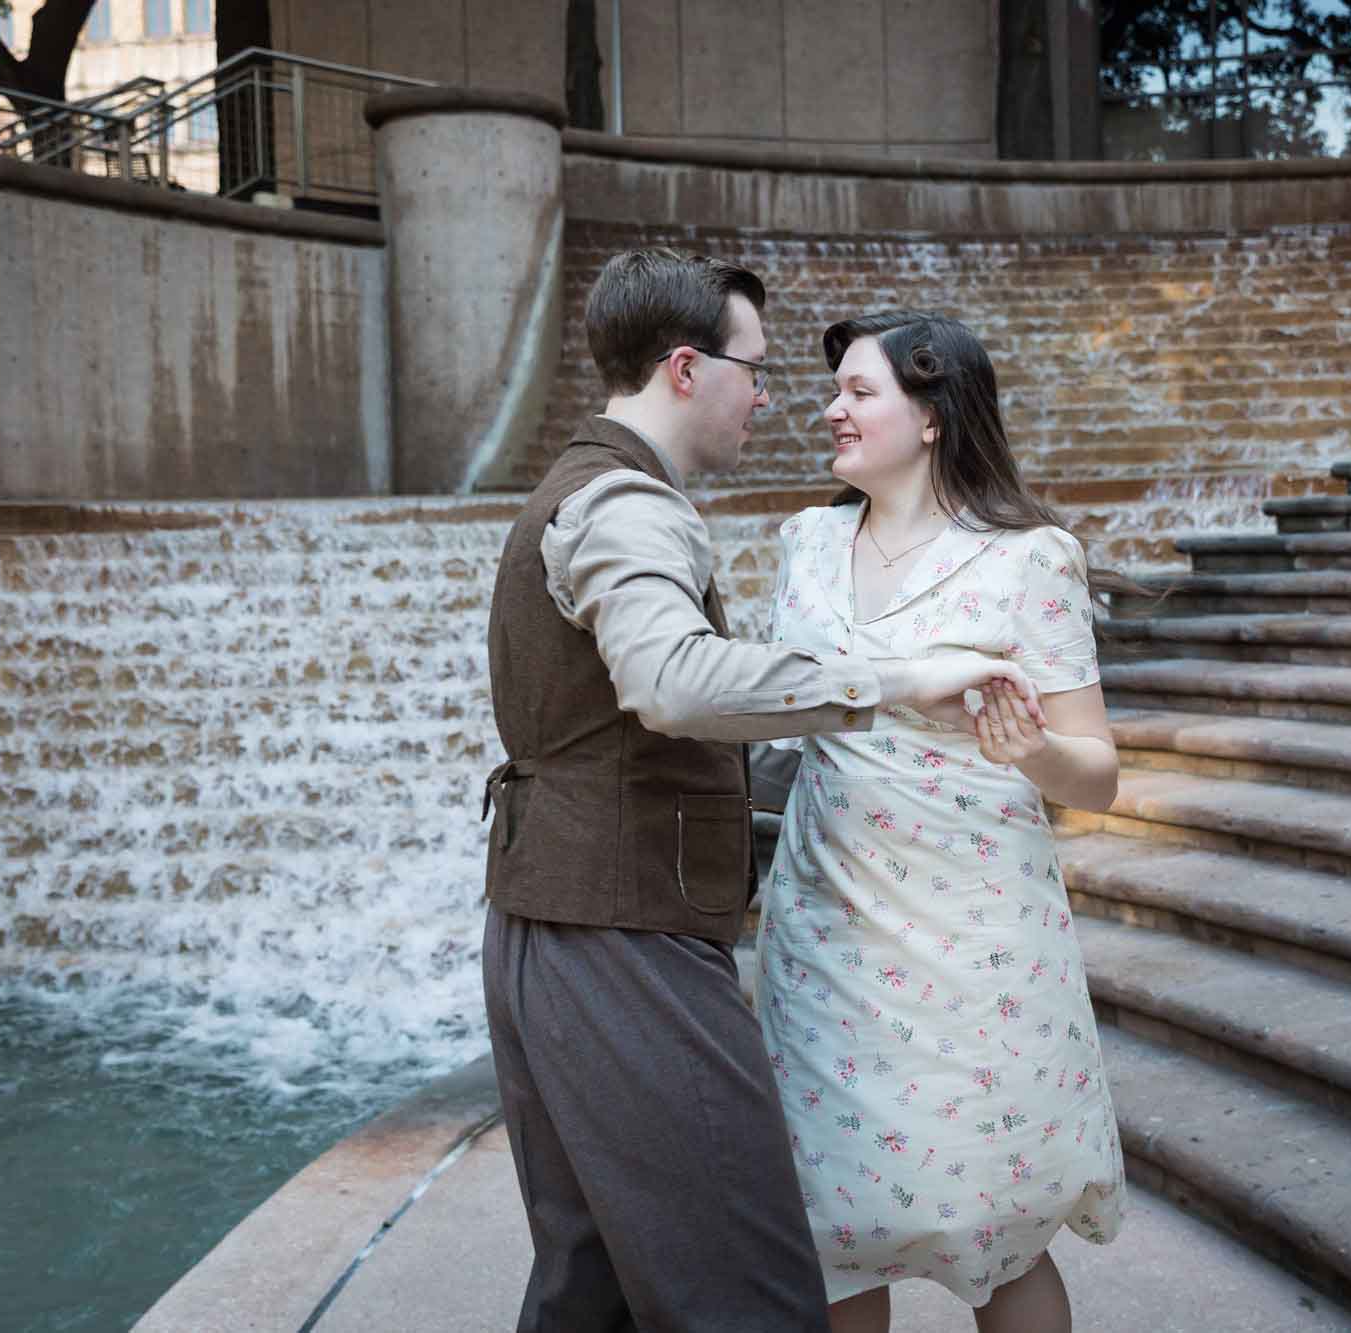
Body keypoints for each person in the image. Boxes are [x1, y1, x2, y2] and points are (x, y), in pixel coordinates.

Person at [480, 252, 1046, 1333]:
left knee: (591, 1287)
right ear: (686, 369)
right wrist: (895, 678)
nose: (770, 396)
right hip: (622, 940)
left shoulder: (581, 485)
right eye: (754, 368)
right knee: (751, 1290)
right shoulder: (629, 504)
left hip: (547, 920)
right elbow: (672, 682)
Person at [755, 311, 1128, 1333]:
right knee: (828, 1231)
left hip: (974, 944)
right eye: (833, 390)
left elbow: (1097, 775)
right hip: (824, 932)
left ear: (931, 416)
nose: (831, 409)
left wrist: (1033, 752)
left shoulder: (1030, 560)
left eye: (858, 391)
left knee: (1002, 1233)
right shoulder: (804, 543)